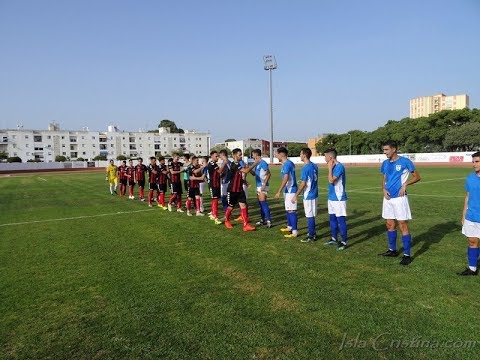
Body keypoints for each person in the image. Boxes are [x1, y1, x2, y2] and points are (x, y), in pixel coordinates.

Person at [378, 140, 421, 266]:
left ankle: (407, 255)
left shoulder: (405, 162)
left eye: (386, 150)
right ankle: (392, 250)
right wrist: (383, 189)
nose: (384, 152)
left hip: (400, 198)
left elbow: (417, 177)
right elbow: (384, 178)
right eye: (384, 150)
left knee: (402, 224)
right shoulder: (385, 163)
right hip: (388, 198)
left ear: (394, 149)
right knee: (389, 224)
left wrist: (405, 184)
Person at [221, 148, 257, 231]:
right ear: (234, 155)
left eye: (241, 154)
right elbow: (246, 171)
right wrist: (255, 162)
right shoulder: (234, 165)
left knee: (243, 205)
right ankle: (226, 220)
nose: (241, 156)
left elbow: (237, 177)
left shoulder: (238, 164)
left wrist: (244, 181)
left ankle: (245, 225)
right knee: (231, 206)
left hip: (239, 189)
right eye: (239, 154)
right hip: (232, 189)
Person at [458, 152, 480, 276]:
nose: (474, 164)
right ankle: (472, 269)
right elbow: (467, 196)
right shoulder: (470, 178)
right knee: (472, 241)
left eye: (477, 161)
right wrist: (463, 214)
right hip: (471, 216)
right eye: (473, 161)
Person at [323, 148, 348, 250]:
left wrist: (329, 168)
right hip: (332, 198)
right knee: (332, 219)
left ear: (330, 157)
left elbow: (331, 180)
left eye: (325, 156)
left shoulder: (339, 167)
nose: (324, 158)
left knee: (340, 220)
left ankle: (343, 242)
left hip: (339, 198)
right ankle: (334, 238)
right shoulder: (334, 167)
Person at [292, 148, 318, 242]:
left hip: (308, 194)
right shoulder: (314, 166)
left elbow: (303, 184)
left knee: (309, 215)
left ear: (304, 155)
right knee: (312, 215)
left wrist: (296, 195)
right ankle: (312, 232)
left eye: (300, 154)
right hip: (314, 193)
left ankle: (311, 236)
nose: (300, 155)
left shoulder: (306, 167)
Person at [274, 147, 298, 238]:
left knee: (291, 210)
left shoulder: (287, 164)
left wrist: (278, 191)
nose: (276, 155)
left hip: (291, 190)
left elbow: (286, 178)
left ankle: (294, 232)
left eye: (277, 154)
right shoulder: (287, 163)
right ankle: (290, 227)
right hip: (288, 190)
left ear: (282, 154)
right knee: (288, 209)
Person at [250, 149, 272, 228]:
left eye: (253, 155)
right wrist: (249, 169)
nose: (252, 156)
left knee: (263, 203)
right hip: (258, 186)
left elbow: (269, 174)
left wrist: (264, 184)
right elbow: (254, 174)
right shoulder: (257, 164)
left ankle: (269, 221)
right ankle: (263, 220)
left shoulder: (263, 163)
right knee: (261, 204)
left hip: (263, 185)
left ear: (256, 155)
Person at [207, 150, 225, 225]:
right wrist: (224, 162)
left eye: (218, 156)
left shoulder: (215, 164)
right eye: (216, 156)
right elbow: (219, 171)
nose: (217, 157)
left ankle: (213, 214)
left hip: (216, 184)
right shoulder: (211, 164)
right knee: (215, 200)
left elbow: (218, 174)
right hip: (213, 184)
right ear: (211, 156)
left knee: (215, 199)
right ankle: (215, 215)